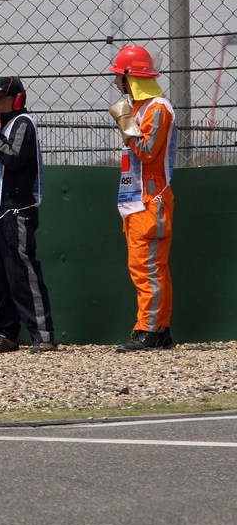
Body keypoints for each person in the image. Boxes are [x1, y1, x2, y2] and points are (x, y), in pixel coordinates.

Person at [0, 76, 58, 354]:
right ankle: (6, 334)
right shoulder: (4, 125)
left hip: (17, 210)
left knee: (22, 273)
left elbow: (14, 158)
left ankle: (43, 334)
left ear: (16, 100)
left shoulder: (22, 124)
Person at [107, 45, 177, 353]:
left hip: (151, 197)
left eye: (117, 76)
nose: (114, 84)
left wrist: (125, 122)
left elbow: (147, 151)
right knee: (151, 266)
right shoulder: (142, 108)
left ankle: (148, 330)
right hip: (139, 197)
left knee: (146, 267)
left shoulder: (156, 108)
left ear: (129, 77)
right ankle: (158, 329)